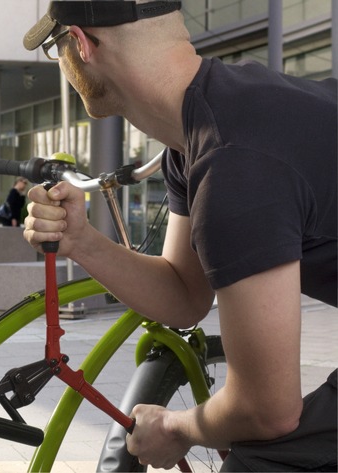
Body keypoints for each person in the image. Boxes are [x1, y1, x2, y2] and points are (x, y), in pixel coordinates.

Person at [21, 1, 336, 471]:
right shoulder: (196, 136)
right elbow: (185, 294)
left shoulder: (232, 159)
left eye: (55, 48)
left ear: (82, 44)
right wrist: (81, 242)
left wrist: (175, 428)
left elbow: (267, 410)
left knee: (265, 459)